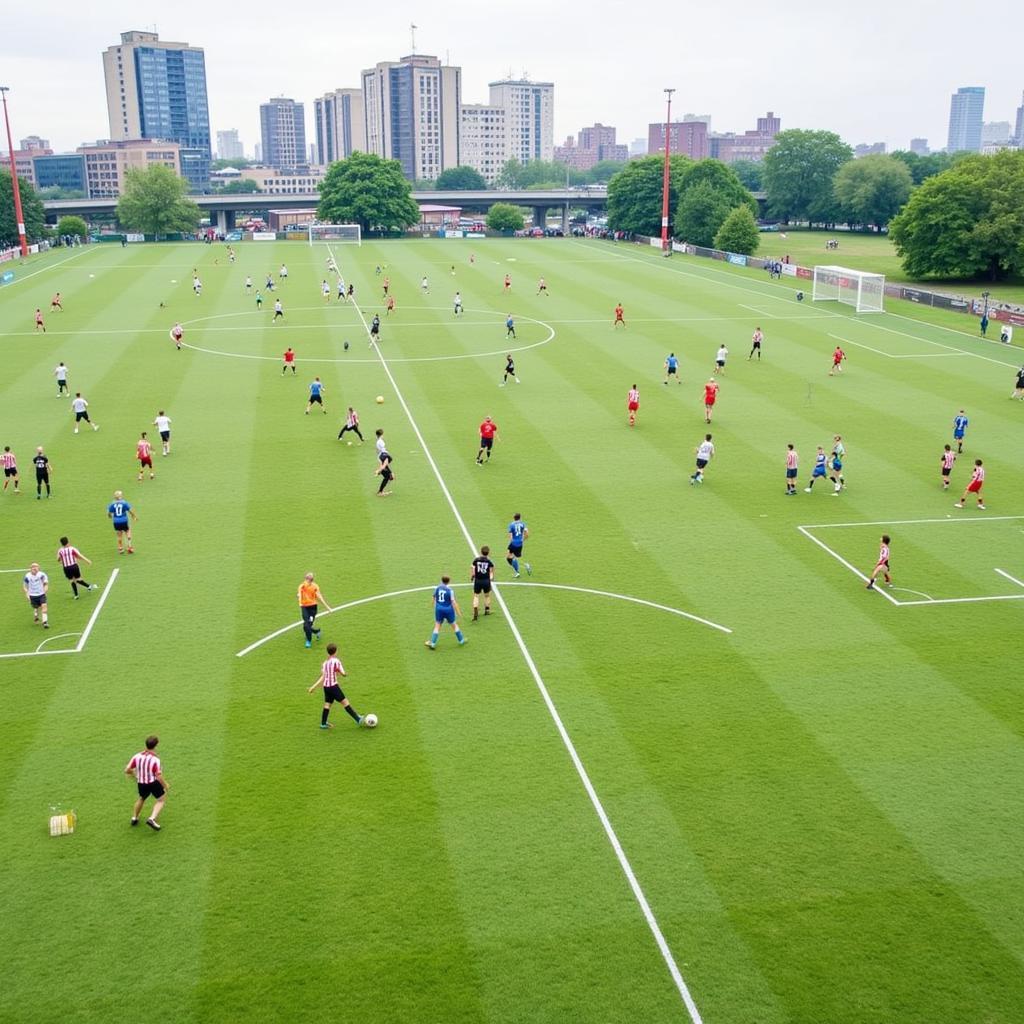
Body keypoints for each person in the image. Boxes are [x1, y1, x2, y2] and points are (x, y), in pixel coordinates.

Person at [308, 643, 366, 729]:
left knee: (327, 704)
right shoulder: (336, 661)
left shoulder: (325, 663)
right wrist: (340, 672)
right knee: (345, 702)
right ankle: (358, 719)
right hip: (334, 687)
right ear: (336, 651)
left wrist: (313, 687)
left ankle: (323, 724)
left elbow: (323, 677)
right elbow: (344, 674)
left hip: (326, 687)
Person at [125, 735, 168, 830]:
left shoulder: (137, 756)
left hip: (141, 783)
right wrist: (165, 785)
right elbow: (158, 776)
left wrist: (135, 775)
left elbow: (127, 770)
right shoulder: (156, 760)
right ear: (156, 746)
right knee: (161, 799)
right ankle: (152, 819)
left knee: (142, 798)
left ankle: (134, 818)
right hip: (152, 783)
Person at [425, 575, 465, 648]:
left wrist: (433, 605)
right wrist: (458, 612)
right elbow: (453, 602)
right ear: (449, 581)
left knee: (437, 625)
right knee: (454, 624)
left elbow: (433, 597)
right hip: (448, 610)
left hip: (439, 609)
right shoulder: (450, 590)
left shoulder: (438, 588)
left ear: (441, 580)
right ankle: (461, 640)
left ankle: (433, 643)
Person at [298, 572, 332, 648]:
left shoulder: (315, 587)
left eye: (308, 580)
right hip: (304, 607)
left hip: (312, 609)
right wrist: (299, 598)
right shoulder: (302, 586)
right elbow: (299, 594)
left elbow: (320, 598)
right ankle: (317, 631)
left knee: (307, 626)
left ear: (311, 580)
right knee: (306, 626)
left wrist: (327, 607)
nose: (306, 581)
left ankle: (308, 641)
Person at [471, 546, 495, 620]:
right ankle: (487, 610)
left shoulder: (476, 560)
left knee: (476, 596)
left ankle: (475, 608)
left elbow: (472, 568)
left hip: (478, 580)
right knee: (487, 595)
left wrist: (472, 576)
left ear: (481, 552)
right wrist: (491, 579)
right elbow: (491, 573)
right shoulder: (489, 562)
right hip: (486, 581)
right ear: (488, 553)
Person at [23, 562, 49, 628]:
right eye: (33, 567)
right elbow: (25, 586)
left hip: (41, 594)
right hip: (32, 595)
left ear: (38, 568)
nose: (34, 568)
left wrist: (45, 591)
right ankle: (36, 616)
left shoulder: (42, 575)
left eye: (36, 567)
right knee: (36, 608)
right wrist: (27, 593)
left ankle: (45, 622)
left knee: (44, 607)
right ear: (30, 569)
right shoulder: (27, 576)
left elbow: (46, 584)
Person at [507, 513, 530, 577]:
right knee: (509, 556)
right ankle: (518, 570)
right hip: (519, 543)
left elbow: (510, 536)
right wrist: (522, 540)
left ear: (514, 517)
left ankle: (519, 570)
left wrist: (512, 542)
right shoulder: (523, 524)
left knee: (512, 557)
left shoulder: (511, 525)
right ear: (520, 518)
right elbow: (527, 534)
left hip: (513, 543)